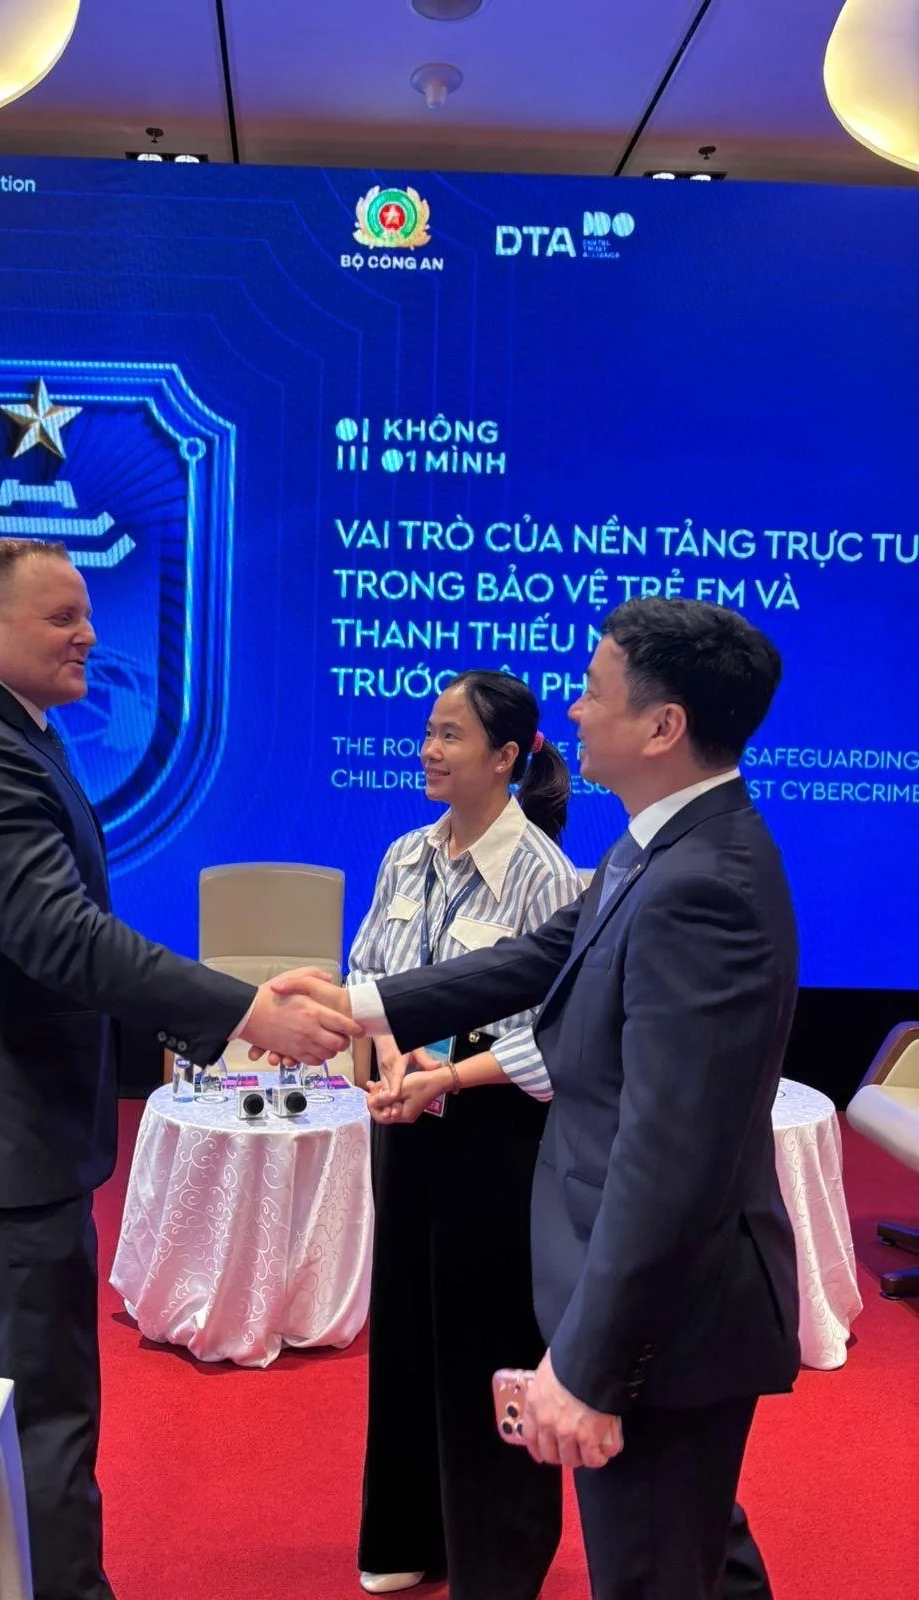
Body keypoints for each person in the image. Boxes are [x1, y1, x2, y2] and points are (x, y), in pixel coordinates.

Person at [274, 598, 800, 1600]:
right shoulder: (658, 846)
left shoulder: (704, 885)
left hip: (660, 1328)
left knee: (652, 1567)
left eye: (595, 693)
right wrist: (358, 1002)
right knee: (690, 1555)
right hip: (644, 1310)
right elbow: (537, 958)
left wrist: (590, 1364)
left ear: (662, 727)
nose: (576, 709)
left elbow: (668, 1159)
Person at [0, 536, 357, 1600]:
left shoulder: (0, 730)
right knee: (35, 1421)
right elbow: (62, 938)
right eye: (63, 616)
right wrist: (245, 1010)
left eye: (89, 613)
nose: (91, 632)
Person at [349, 671, 580, 1599]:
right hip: (407, 1123)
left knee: (489, 1340)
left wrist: (449, 1072)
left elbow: (557, 1037)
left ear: (506, 757)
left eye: (451, 736)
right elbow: (367, 970)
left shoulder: (549, 875)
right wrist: (388, 1063)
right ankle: (406, 1532)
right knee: (405, 1330)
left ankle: (499, 1555)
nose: (429, 751)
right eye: (428, 732)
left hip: (499, 1137)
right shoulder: (405, 855)